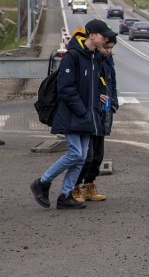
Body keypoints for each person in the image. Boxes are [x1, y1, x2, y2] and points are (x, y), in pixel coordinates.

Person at [30, 19, 117, 209]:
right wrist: (83, 111)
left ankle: (65, 195)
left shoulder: (95, 57)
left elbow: (96, 86)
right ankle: (42, 182)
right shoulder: (73, 56)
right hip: (72, 115)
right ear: (92, 35)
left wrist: (101, 100)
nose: (105, 40)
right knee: (76, 153)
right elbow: (66, 88)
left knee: (83, 155)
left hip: (88, 116)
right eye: (103, 36)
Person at [71, 34, 119, 203]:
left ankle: (89, 185)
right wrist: (98, 96)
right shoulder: (91, 59)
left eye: (111, 48)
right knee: (87, 155)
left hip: (104, 112)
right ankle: (74, 187)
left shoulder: (108, 61)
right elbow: (87, 84)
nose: (109, 51)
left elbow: (111, 83)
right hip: (92, 112)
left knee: (98, 155)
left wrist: (113, 102)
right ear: (99, 44)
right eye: (107, 48)